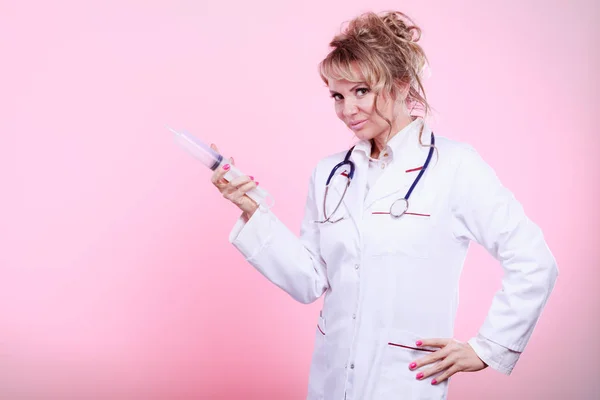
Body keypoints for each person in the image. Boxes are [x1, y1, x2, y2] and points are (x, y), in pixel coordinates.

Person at [209, 10, 558, 400]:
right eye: (337, 96)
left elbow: (533, 260)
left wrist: (488, 347)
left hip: (403, 381)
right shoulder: (329, 174)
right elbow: (310, 281)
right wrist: (253, 211)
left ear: (400, 85)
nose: (347, 110)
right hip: (331, 380)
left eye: (361, 91)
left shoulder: (456, 167)